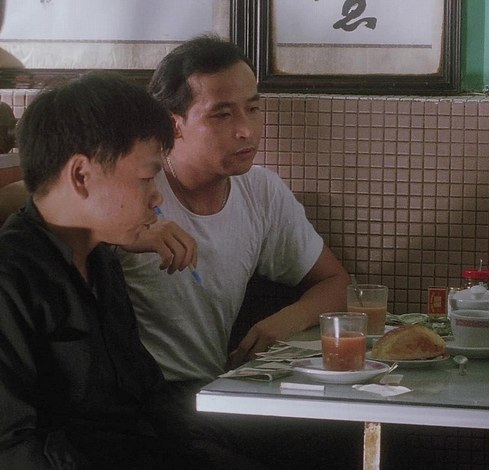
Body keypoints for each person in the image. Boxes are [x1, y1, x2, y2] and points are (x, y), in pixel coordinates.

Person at [115, 35, 359, 468]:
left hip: (216, 391)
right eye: (222, 114)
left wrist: (290, 318)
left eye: (253, 108)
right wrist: (121, 232)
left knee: (351, 434)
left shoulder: (260, 191)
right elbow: (32, 204)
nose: (246, 129)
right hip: (140, 403)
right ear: (174, 124)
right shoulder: (132, 189)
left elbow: (336, 282)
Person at [0, 72, 190, 468]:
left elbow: (147, 402)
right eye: (146, 178)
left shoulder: (101, 262)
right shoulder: (10, 281)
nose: (157, 197)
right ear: (81, 176)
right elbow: (14, 448)